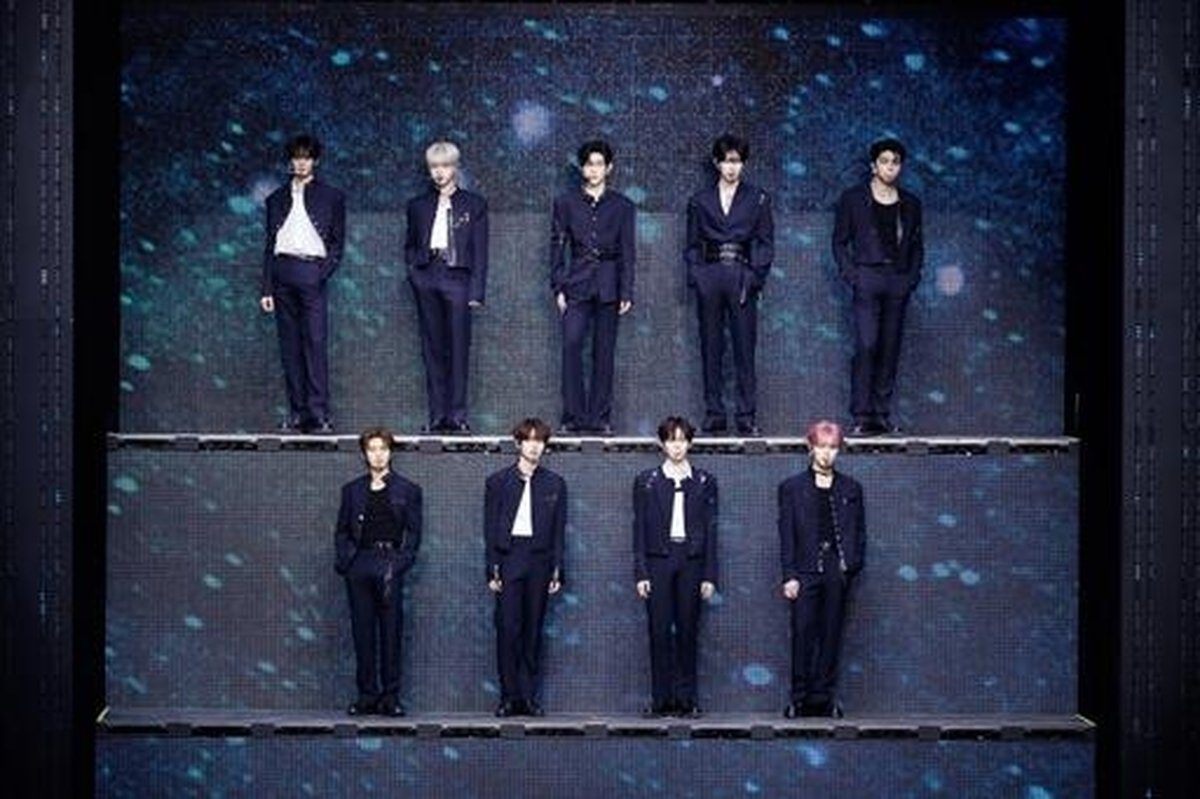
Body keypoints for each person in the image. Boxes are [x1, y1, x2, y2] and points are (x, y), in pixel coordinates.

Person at [684, 134, 774, 437]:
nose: (731, 167)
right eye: (726, 161)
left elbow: (765, 242)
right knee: (711, 347)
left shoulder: (757, 198)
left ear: (743, 163)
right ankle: (714, 414)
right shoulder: (700, 200)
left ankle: (746, 416)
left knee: (744, 349)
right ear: (716, 163)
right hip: (710, 273)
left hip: (741, 274)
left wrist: (755, 277)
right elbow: (692, 244)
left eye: (736, 161)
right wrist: (698, 276)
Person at [832, 138, 923, 436]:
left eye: (895, 162)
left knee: (889, 348)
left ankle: (881, 415)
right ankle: (861, 415)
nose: (890, 167)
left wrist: (910, 279)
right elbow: (839, 242)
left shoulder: (911, 203)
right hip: (867, 278)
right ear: (873, 166)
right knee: (867, 345)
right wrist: (853, 275)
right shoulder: (853, 199)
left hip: (897, 280)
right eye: (884, 161)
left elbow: (917, 246)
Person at [778, 420, 865, 718]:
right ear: (811, 447)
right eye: (822, 446)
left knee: (831, 634)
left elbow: (859, 532)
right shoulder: (791, 488)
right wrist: (789, 575)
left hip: (836, 569)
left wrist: (850, 566)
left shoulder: (851, 488)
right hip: (805, 569)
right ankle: (799, 698)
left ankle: (823, 698)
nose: (827, 453)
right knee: (802, 633)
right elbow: (786, 534)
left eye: (832, 447)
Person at [633, 416, 719, 717]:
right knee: (659, 632)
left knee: (688, 631)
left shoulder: (704, 481)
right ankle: (661, 700)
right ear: (662, 444)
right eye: (671, 440)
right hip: (658, 560)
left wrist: (709, 575)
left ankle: (687, 700)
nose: (677, 446)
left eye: (682, 440)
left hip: (691, 560)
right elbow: (639, 529)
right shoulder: (647, 481)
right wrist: (641, 572)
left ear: (690, 443)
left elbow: (711, 530)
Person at [334, 427, 423, 717]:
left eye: (383, 449)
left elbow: (414, 534)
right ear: (364, 453)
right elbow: (342, 531)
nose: (378, 455)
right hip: (360, 564)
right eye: (372, 449)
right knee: (362, 633)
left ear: (391, 452)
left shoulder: (408, 490)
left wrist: (399, 564)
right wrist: (347, 562)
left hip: (389, 564)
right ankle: (366, 696)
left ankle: (390, 697)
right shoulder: (352, 490)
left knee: (391, 632)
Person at [260, 133, 346, 434]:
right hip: (282, 271)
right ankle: (298, 413)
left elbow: (337, 243)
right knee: (290, 347)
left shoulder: (331, 196)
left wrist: (321, 272)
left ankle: (318, 414)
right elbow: (269, 245)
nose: (301, 163)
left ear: (315, 161)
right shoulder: (275, 199)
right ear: (290, 161)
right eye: (296, 158)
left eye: (306, 158)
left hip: (311, 270)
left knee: (315, 343)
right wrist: (266, 287)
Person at [550, 139, 636, 435]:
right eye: (589, 164)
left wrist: (626, 290)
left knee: (604, 352)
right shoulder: (565, 203)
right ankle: (573, 417)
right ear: (582, 168)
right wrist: (558, 286)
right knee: (572, 346)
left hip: (610, 284)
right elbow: (557, 247)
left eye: (599, 164)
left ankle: (600, 418)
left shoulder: (623, 206)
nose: (594, 170)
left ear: (609, 168)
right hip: (576, 281)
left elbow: (628, 250)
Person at [404, 141, 489, 434]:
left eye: (445, 166)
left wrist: (476, 292)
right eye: (434, 167)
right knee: (433, 349)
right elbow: (409, 245)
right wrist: (415, 274)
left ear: (455, 167)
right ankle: (437, 416)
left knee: (458, 348)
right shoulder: (417, 205)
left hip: (458, 279)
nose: (439, 172)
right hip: (428, 275)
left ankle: (457, 416)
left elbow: (480, 250)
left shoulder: (474, 204)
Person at [484, 417, 567, 717]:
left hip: (540, 559)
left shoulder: (555, 483)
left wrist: (557, 568)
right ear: (518, 444)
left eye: (539, 441)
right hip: (509, 557)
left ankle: (528, 697)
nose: (534, 446)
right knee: (508, 628)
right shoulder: (498, 482)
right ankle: (509, 697)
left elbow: (559, 531)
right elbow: (489, 527)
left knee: (533, 629)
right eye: (529, 440)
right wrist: (492, 566)